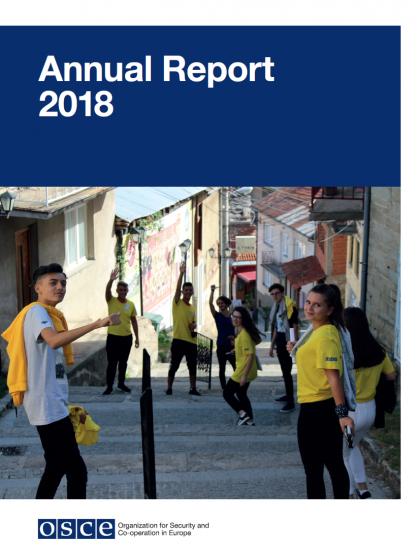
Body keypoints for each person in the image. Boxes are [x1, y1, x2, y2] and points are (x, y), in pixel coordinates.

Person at [1, 263, 120, 499]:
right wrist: (97, 324)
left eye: (63, 283)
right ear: (37, 287)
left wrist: (65, 405)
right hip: (46, 406)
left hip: (52, 403)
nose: (60, 287)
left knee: (56, 467)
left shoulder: (48, 315)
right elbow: (54, 341)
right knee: (76, 471)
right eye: (53, 283)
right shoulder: (37, 312)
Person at [287, 283, 354, 499]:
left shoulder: (324, 335)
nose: (309, 308)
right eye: (308, 302)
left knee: (318, 469)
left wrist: (342, 415)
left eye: (317, 305)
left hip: (319, 409)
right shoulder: (317, 331)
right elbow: (314, 360)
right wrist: (297, 350)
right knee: (330, 465)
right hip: (315, 406)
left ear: (330, 309)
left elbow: (333, 377)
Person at [343, 307, 396, 498]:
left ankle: (349, 493)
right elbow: (391, 375)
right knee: (353, 446)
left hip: (350, 413)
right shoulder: (378, 351)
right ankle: (364, 489)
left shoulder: (345, 352)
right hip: (369, 411)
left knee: (343, 453)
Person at [103, 267, 139, 395]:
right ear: (117, 291)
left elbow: (134, 321)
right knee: (112, 363)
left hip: (127, 338)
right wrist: (111, 280)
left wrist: (137, 338)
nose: (123, 292)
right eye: (121, 290)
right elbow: (107, 291)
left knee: (123, 363)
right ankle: (109, 386)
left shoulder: (131, 304)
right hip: (113, 337)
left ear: (127, 291)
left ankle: (121, 384)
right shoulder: (111, 301)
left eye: (125, 290)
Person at [223, 306, 261, 426]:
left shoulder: (244, 334)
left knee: (227, 393)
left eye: (238, 317)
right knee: (241, 394)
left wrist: (244, 375)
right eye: (234, 316)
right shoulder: (241, 332)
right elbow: (246, 349)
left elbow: (250, 355)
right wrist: (236, 350)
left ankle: (242, 414)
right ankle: (249, 420)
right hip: (249, 369)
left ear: (243, 319)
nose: (235, 319)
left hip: (243, 370)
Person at [166, 261, 200, 396]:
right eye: (186, 290)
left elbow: (193, 324)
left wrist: (194, 326)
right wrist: (181, 273)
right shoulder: (177, 303)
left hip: (191, 342)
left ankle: (193, 388)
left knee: (192, 367)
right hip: (178, 340)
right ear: (182, 292)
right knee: (174, 365)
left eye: (190, 290)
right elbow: (177, 289)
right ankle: (169, 388)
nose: (188, 292)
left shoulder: (192, 308)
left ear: (192, 292)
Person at [268, 283, 299, 412]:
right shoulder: (276, 307)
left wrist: (293, 342)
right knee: (284, 372)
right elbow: (276, 328)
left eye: (277, 293)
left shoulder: (289, 305)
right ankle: (288, 395)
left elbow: (295, 325)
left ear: (282, 293)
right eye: (272, 294)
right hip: (280, 339)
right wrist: (271, 346)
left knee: (287, 371)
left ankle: (291, 402)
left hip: (288, 340)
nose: (274, 296)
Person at [209, 285, 236, 389]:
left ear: (226, 304)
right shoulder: (217, 316)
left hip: (231, 346)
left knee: (236, 367)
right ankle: (224, 387)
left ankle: (235, 385)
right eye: (219, 303)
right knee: (222, 368)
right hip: (220, 345)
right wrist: (212, 291)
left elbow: (238, 330)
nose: (220, 305)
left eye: (222, 303)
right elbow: (210, 304)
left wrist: (234, 338)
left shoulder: (233, 316)